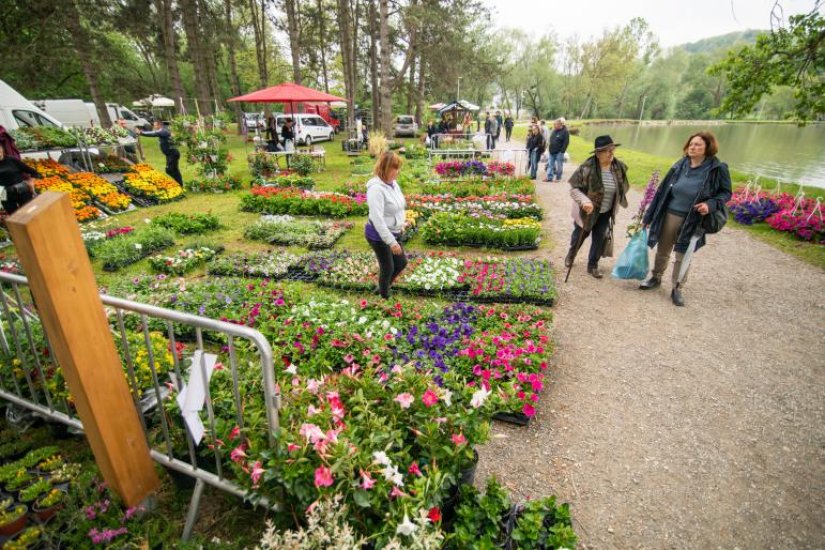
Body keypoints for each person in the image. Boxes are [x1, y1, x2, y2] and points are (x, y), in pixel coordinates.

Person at [639, 131, 732, 306]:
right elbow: (661, 191)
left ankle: (677, 288)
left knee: (683, 254)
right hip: (670, 214)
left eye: (698, 144)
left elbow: (726, 193)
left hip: (693, 219)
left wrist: (710, 205)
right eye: (691, 144)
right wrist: (649, 216)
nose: (693, 147)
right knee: (663, 250)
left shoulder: (717, 169)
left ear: (708, 148)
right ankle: (656, 277)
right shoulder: (680, 164)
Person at [565, 135, 629, 279]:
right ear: (598, 153)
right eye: (607, 150)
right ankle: (571, 255)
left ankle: (592, 264)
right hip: (586, 211)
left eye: (612, 149)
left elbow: (623, 187)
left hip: (605, 211)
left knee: (599, 238)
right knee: (579, 236)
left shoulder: (618, 167)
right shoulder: (586, 167)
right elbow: (574, 189)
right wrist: (584, 200)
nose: (611, 152)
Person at [365, 152, 408, 299]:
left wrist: (401, 222)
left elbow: (399, 205)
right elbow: (378, 220)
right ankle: (384, 297)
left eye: (398, 168)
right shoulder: (376, 189)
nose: (397, 171)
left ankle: (382, 288)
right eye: (394, 168)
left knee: (401, 262)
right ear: (385, 168)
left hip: (394, 232)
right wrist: (391, 242)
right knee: (388, 267)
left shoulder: (393, 184)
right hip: (378, 235)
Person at [140, 121, 182, 185]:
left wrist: (141, 132)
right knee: (173, 170)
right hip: (170, 154)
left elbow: (154, 133)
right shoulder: (165, 130)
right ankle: (179, 184)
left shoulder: (163, 131)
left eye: (155, 125)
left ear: (159, 125)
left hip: (172, 154)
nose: (154, 127)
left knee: (170, 170)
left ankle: (179, 184)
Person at [0, 145, 39, 215]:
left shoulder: (11, 160)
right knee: (13, 216)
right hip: (3, 193)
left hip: (21, 189)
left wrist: (31, 182)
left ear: (2, 149)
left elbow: (33, 172)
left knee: (29, 213)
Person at [544, 118, 570, 182]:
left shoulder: (565, 132)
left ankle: (558, 178)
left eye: (555, 125)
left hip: (559, 152)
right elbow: (551, 140)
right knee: (550, 165)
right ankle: (549, 177)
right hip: (551, 151)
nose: (554, 126)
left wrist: (562, 151)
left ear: (559, 124)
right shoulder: (554, 131)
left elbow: (566, 142)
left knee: (559, 165)